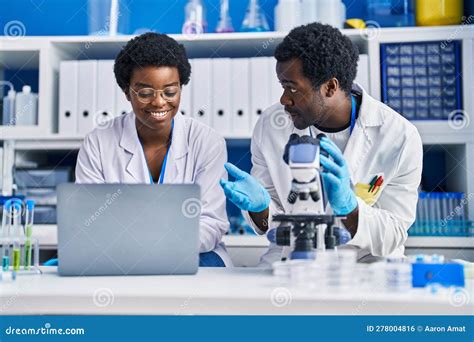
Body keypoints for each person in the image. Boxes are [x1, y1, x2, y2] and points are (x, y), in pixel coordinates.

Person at [220, 23, 423, 266]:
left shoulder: (399, 136)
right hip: (292, 263)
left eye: (292, 88)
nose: (284, 99)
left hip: (364, 269)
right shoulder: (270, 125)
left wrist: (350, 209)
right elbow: (272, 224)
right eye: (282, 86)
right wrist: (261, 208)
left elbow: (394, 234)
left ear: (330, 87)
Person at [76, 32, 232, 267]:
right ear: (127, 92)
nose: (159, 102)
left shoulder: (207, 142)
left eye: (170, 91)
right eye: (146, 93)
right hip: (121, 257)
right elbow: (91, 220)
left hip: (194, 255)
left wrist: (160, 247)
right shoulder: (98, 142)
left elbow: (210, 223)